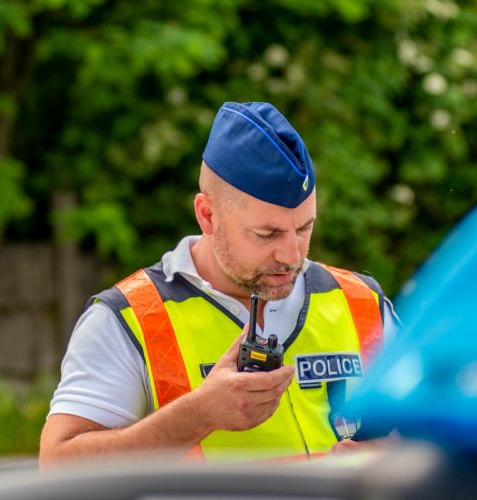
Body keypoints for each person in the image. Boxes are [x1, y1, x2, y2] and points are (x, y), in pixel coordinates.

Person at [40, 102, 398, 465]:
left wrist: (402, 455)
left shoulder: (361, 301)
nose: (292, 255)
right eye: (267, 233)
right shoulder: (133, 317)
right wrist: (200, 414)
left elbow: (443, 433)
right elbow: (57, 468)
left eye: (304, 228)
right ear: (207, 215)